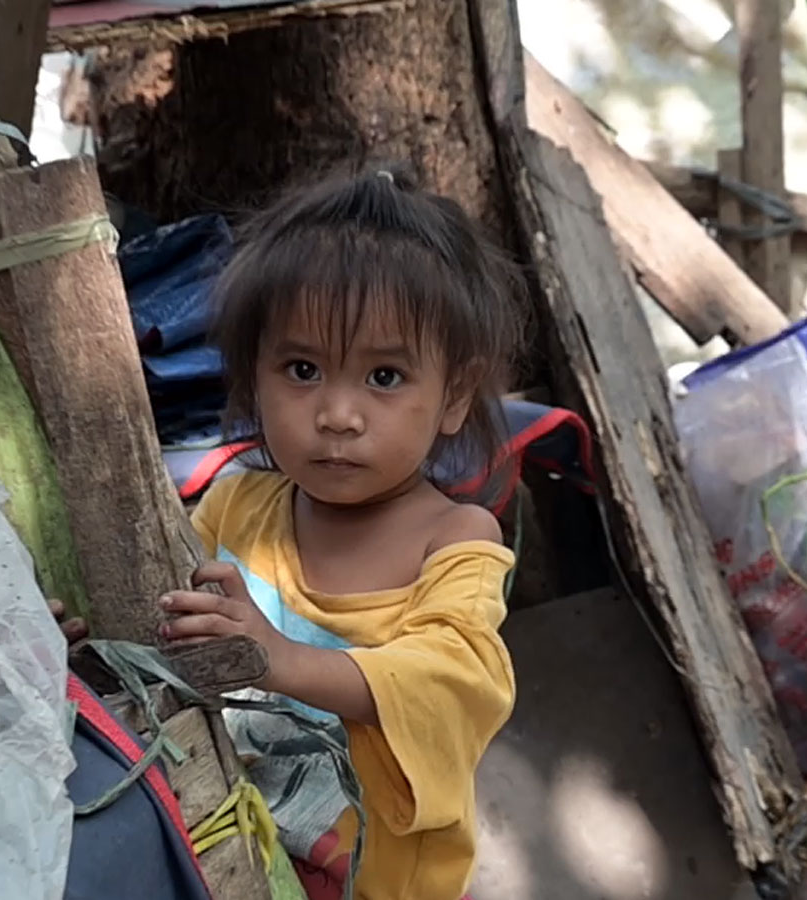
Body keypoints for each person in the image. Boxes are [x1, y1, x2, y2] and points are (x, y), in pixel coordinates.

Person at [156, 167, 524, 900]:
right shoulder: (233, 509)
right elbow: (157, 618)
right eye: (302, 368)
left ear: (453, 394)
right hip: (224, 853)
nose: (338, 415)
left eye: (384, 377)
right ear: (252, 376)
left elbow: (454, 681)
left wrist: (282, 660)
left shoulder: (454, 540)